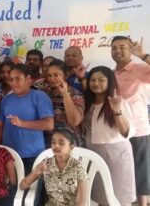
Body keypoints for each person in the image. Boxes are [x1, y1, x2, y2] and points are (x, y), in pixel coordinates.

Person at [82, 66, 135, 205]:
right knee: (100, 195)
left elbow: (126, 132)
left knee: (119, 197)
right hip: (93, 153)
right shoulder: (87, 102)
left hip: (116, 154)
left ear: (109, 82)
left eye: (101, 80)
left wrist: (117, 111)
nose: (96, 83)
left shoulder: (119, 102)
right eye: (92, 80)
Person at [111, 36, 150, 206]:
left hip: (138, 131)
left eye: (122, 47)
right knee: (123, 174)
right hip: (116, 132)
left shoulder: (141, 69)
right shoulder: (110, 74)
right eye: (114, 48)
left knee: (141, 173)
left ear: (130, 50)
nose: (117, 50)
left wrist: (143, 56)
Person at [0, 63, 54, 173]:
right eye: (11, 79)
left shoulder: (39, 96)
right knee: (12, 189)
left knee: (31, 189)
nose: (14, 83)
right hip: (8, 155)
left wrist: (22, 123)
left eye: (18, 79)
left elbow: (49, 124)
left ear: (28, 79)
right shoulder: (6, 99)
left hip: (33, 155)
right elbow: (0, 126)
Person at [20, 129, 88, 206]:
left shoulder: (77, 167)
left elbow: (81, 202)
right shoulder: (46, 164)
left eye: (61, 143)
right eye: (53, 142)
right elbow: (22, 186)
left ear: (71, 147)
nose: (56, 146)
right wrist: (34, 173)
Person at [44, 59, 85, 147]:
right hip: (50, 146)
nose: (52, 79)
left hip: (71, 146)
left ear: (65, 75)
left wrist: (65, 94)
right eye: (49, 75)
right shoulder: (46, 95)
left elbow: (74, 121)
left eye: (56, 75)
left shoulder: (76, 94)